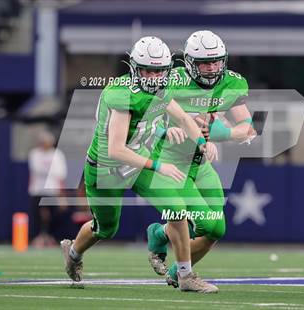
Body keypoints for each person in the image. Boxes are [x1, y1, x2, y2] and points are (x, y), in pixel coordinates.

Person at [60, 36, 219, 293]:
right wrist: (158, 165)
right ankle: (74, 253)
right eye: (148, 70)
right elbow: (117, 149)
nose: (154, 76)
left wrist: (201, 142)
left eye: (159, 70)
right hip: (106, 170)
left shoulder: (162, 88)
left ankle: (186, 276)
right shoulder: (121, 94)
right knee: (106, 228)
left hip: (137, 168)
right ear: (134, 67)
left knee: (176, 208)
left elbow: (183, 117)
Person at [146, 30, 257, 289]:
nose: (212, 68)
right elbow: (144, 115)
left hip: (200, 163)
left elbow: (248, 129)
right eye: (205, 62)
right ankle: (182, 269)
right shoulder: (171, 80)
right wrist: (165, 128)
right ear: (189, 63)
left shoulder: (230, 83)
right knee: (202, 222)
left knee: (216, 230)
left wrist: (225, 133)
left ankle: (171, 257)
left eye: (216, 61)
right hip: (170, 161)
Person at [28, 130, 68, 247]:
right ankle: (39, 237)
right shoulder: (34, 154)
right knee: (38, 215)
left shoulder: (58, 154)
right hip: (37, 190)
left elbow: (61, 173)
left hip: (53, 190)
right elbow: (37, 169)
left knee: (54, 215)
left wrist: (62, 195)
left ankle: (50, 237)